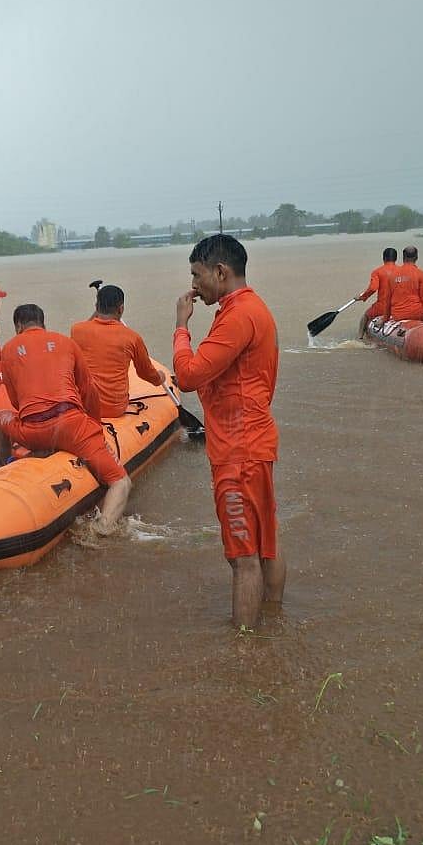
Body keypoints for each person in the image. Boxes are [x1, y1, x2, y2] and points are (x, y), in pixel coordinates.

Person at [172, 234, 285, 630]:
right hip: (255, 442)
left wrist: (181, 327)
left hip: (237, 451)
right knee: (266, 545)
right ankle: (272, 622)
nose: (193, 285)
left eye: (196, 275)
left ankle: (244, 653)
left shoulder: (237, 316)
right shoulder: (251, 308)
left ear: (220, 272)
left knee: (243, 558)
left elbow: (187, 376)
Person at [0, 304, 131, 533]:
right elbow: (88, 391)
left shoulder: (7, 350)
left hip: (31, 431)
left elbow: (17, 403)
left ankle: (7, 467)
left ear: (18, 326)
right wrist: (94, 427)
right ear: (43, 323)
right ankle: (102, 530)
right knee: (120, 481)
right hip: (71, 427)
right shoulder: (66, 343)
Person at [70, 284, 166, 418]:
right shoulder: (132, 337)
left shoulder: (76, 330)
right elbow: (145, 373)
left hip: (84, 406)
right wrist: (160, 378)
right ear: (121, 309)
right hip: (114, 409)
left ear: (96, 307)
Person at [379, 246, 423, 323]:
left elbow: (387, 300)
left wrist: (385, 319)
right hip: (417, 313)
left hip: (397, 315)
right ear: (416, 257)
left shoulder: (392, 276)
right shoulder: (422, 274)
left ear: (403, 257)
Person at [356, 247, 398, 335]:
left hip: (382, 307)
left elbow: (372, 288)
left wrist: (362, 297)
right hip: (400, 307)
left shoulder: (377, 272)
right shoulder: (403, 271)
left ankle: (360, 338)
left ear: (384, 258)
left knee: (365, 317)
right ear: (396, 258)